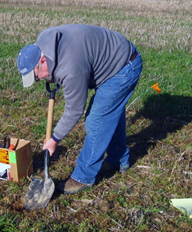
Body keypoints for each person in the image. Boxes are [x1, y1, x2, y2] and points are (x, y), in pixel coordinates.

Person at [17, 24, 143, 194]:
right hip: (113, 56)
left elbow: (74, 110)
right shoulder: (44, 42)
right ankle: (119, 159)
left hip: (124, 66)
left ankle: (83, 177)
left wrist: (54, 139)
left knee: (96, 119)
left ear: (43, 60)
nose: (38, 80)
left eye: (36, 75)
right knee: (110, 113)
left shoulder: (70, 68)